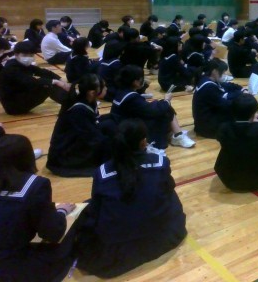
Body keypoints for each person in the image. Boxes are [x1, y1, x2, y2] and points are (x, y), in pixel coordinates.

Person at [75, 119, 187, 278]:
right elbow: (168, 189)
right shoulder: (160, 162)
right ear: (143, 142)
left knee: (87, 210)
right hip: (160, 235)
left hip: (116, 248)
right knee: (169, 191)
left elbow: (96, 210)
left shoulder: (102, 172)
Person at [0, 127, 76, 282]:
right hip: (13, 266)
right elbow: (52, 233)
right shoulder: (36, 186)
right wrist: (61, 211)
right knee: (73, 235)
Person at [110, 65, 195, 153]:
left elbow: (143, 107)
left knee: (161, 105)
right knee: (165, 109)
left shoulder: (122, 91)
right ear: (135, 82)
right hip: (130, 131)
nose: (143, 80)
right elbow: (153, 111)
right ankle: (171, 137)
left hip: (123, 126)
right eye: (141, 78)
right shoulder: (132, 97)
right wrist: (166, 100)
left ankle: (176, 134)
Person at [47, 74, 112, 177]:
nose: (106, 88)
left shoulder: (87, 100)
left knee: (109, 125)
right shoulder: (78, 110)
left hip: (74, 141)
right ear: (92, 93)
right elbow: (92, 138)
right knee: (110, 147)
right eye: (103, 87)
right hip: (63, 156)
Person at [0, 41, 71, 115]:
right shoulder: (11, 68)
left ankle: (70, 100)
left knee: (49, 82)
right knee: (47, 86)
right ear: (16, 55)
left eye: (31, 55)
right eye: (25, 55)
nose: (28, 57)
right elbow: (30, 81)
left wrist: (60, 80)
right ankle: (70, 105)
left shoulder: (20, 64)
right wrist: (55, 81)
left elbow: (43, 72)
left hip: (20, 96)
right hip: (13, 106)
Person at [192, 59, 245, 139]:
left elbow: (226, 86)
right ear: (215, 71)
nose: (224, 75)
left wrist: (241, 89)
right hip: (207, 128)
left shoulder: (206, 79)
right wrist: (240, 95)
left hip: (203, 123)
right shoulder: (208, 86)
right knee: (238, 108)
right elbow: (226, 104)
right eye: (223, 72)